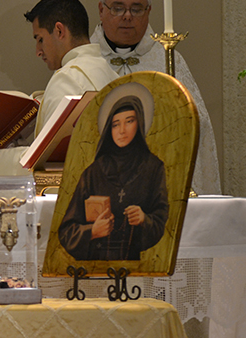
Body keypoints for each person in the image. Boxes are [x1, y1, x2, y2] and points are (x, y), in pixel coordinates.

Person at [0, 0, 118, 175]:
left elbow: (50, 162)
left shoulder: (68, 79)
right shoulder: (110, 74)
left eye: (40, 39)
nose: (38, 51)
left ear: (59, 31)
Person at [90, 0, 221, 195]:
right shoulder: (87, 61)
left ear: (148, 11)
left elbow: (198, 123)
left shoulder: (167, 60)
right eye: (118, 8)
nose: (127, 16)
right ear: (102, 10)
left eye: (137, 8)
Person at [58, 83, 169, 261]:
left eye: (129, 121)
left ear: (139, 123)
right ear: (109, 128)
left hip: (135, 266)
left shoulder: (153, 168)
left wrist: (144, 219)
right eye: (116, 124)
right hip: (95, 263)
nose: (122, 131)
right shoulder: (93, 172)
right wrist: (92, 231)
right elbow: (66, 231)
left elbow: (163, 223)